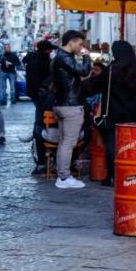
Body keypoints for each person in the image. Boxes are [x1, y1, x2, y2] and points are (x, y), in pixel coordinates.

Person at [84, 40, 136, 187]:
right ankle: (131, 175)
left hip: (113, 111)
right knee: (132, 144)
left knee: (112, 144)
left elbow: (96, 86)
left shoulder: (112, 69)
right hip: (132, 112)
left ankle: (112, 176)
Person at [50, 30, 92, 189]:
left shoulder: (59, 57)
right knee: (69, 142)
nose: (81, 47)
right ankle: (64, 177)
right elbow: (83, 71)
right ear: (72, 42)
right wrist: (87, 56)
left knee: (64, 141)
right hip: (70, 105)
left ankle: (62, 175)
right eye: (80, 44)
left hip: (61, 104)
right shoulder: (64, 57)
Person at [23, 40, 56, 175]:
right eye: (50, 50)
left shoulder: (30, 59)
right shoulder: (46, 62)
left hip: (34, 93)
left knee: (39, 121)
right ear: (47, 50)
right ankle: (44, 161)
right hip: (43, 95)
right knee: (42, 122)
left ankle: (41, 162)